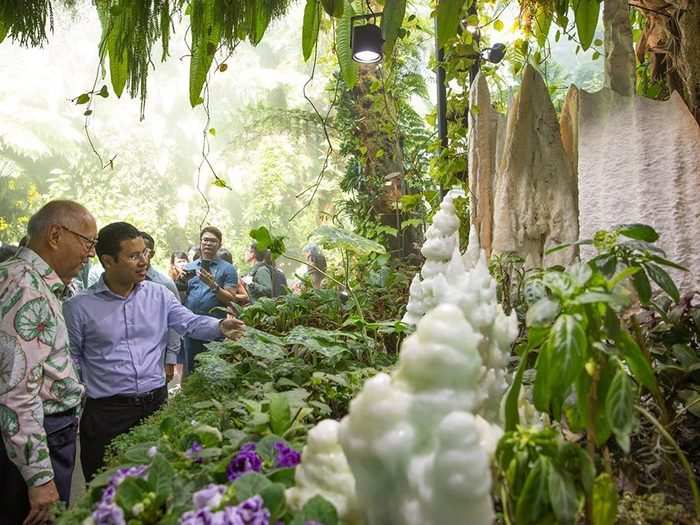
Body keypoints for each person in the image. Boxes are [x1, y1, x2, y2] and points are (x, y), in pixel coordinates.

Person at [63, 222, 245, 482]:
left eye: (145, 254)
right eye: (133, 256)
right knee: (104, 488)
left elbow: (189, 322)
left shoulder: (159, 295)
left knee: (154, 485)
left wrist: (220, 326)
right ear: (108, 261)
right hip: (106, 415)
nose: (143, 262)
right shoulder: (78, 308)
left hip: (155, 408)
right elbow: (71, 359)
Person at [0, 200, 97, 525]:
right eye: (88, 242)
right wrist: (40, 478)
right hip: (40, 437)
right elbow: (16, 392)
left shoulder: (16, 275)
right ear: (56, 235)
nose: (90, 254)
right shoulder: (29, 289)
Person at [182, 227, 238, 375]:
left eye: (213, 241)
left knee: (213, 368)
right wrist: (179, 282)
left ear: (219, 244)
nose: (208, 243)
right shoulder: (189, 268)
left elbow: (231, 299)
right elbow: (182, 296)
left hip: (215, 326)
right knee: (191, 368)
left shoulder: (228, 269)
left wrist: (213, 285)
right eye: (205, 240)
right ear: (200, 243)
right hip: (191, 324)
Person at [140, 232, 182, 383]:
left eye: (146, 251)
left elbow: (175, 322)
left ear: (153, 253)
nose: (141, 256)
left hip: (157, 356)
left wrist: (170, 358)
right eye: (136, 252)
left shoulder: (164, 284)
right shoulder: (121, 282)